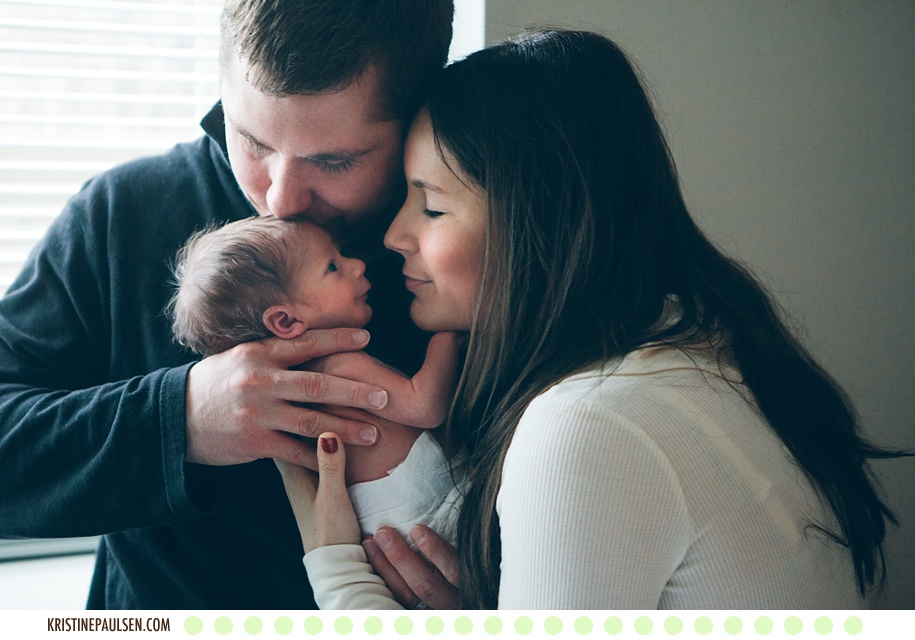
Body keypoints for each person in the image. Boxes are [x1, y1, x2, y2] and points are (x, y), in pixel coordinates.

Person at [278, 29, 908, 609]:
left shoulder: (588, 424)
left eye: (433, 208)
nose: (393, 236)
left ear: (538, 224)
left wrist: (334, 565)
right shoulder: (705, 349)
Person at [0, 0, 454, 609]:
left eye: (333, 160)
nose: (283, 200)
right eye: (252, 140)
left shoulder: (471, 239)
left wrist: (501, 599)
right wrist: (180, 418)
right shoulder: (120, 216)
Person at [169, 215, 466, 537]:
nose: (357, 265)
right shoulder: (335, 369)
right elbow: (425, 408)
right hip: (426, 508)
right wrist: (447, 332)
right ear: (285, 321)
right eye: (332, 266)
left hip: (394, 517)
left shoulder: (287, 396)